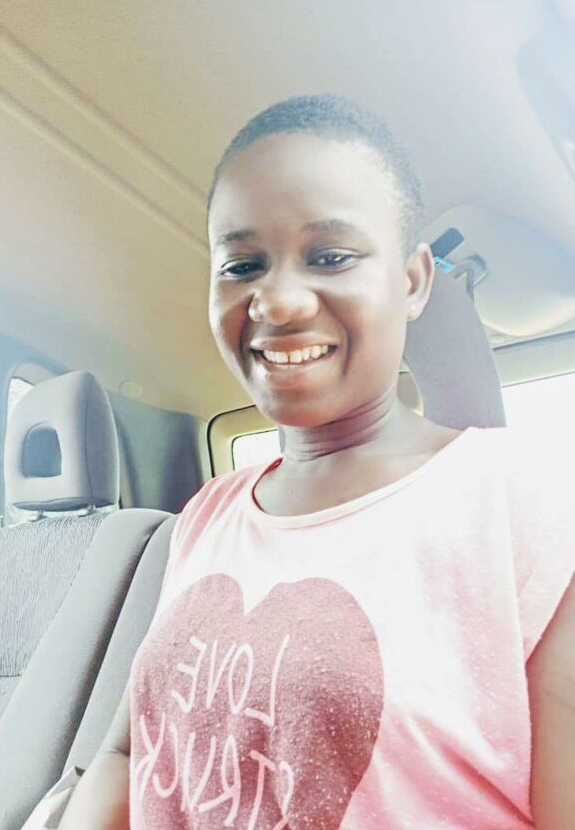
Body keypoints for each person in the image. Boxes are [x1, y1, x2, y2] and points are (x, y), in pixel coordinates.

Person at [59, 94, 575, 829]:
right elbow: (127, 751)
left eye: (330, 256)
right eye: (242, 264)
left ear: (413, 281)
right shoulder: (207, 514)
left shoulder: (530, 506)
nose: (278, 301)